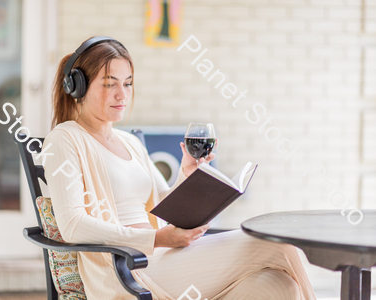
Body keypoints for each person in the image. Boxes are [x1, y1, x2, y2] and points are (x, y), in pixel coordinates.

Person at [42, 36, 317, 300]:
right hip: (126, 270)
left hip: (163, 259)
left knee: (278, 287)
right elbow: (73, 226)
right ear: (77, 86)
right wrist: (156, 238)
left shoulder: (129, 142)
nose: (121, 94)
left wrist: (187, 174)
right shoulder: (65, 139)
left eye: (127, 83)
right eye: (108, 84)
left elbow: (164, 201)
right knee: (277, 246)